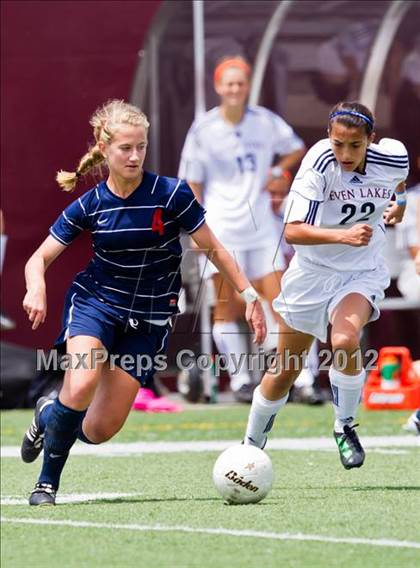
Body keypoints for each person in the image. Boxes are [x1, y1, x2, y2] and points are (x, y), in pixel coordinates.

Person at [21, 99, 266, 506]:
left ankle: (49, 415)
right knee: (80, 382)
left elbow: (216, 250)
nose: (135, 156)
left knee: (99, 430)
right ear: (104, 149)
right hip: (96, 305)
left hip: (150, 321)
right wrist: (36, 287)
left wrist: (250, 294)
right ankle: (46, 483)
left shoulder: (171, 194)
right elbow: (38, 258)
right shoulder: (91, 204)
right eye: (125, 148)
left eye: (141, 147)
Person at [243, 101, 409, 469]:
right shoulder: (318, 163)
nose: (345, 153)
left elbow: (397, 184)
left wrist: (398, 205)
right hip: (311, 274)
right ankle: (249, 447)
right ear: (328, 138)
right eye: (338, 144)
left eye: (355, 145)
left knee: (346, 340)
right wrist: (343, 236)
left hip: (361, 272)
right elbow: (293, 231)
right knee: (283, 372)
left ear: (372, 140)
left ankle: (344, 425)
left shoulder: (394, 156)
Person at [178, 56, 305, 402]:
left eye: (240, 83)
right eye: (228, 83)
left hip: (262, 226)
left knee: (281, 302)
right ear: (218, 87)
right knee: (227, 307)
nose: (234, 89)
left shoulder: (265, 122)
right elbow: (191, 180)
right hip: (221, 228)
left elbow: (296, 149)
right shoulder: (203, 129)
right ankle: (241, 381)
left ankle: (295, 379)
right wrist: (197, 225)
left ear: (248, 86)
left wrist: (278, 171)